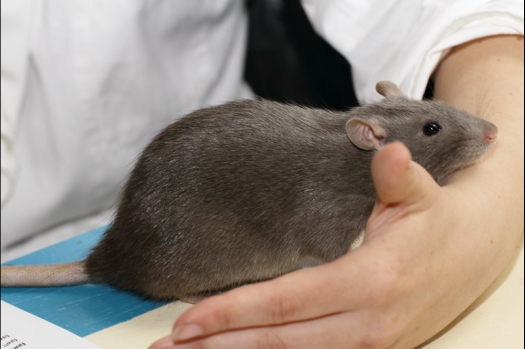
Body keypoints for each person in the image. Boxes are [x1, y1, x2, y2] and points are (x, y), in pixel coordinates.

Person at [1, 1, 522, 348]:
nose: (482, 133)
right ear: (369, 135)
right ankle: (179, 282)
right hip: (146, 247)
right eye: (432, 128)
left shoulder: (350, 152)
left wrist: (485, 216)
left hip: (145, 211)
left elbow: (449, 10)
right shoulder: (337, 181)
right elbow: (322, 238)